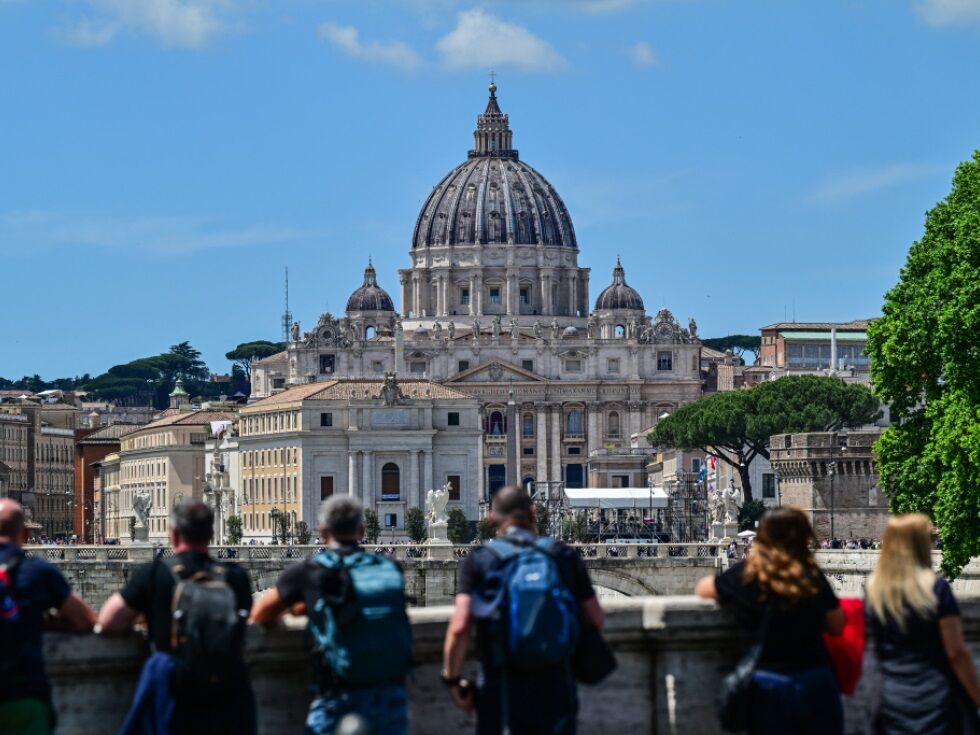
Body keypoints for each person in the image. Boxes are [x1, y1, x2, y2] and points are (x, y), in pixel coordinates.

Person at [442, 485, 605, 735]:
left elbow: (460, 627)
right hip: (556, 684)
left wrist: (452, 679)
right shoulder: (562, 555)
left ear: (491, 518)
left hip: (500, 686)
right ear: (533, 513)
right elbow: (595, 617)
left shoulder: (480, 559)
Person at [251, 496, 411, 735]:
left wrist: (303, 606)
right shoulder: (389, 567)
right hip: (391, 697)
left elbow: (260, 614)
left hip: (337, 698)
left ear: (323, 531)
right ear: (362, 530)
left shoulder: (310, 570)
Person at [98, 499, 256, 735]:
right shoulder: (236, 578)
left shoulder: (154, 574)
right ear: (211, 534)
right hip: (229, 695)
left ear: (173, 534)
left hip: (178, 695)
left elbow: (109, 620)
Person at [695, 506, 845, 735]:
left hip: (766, 683)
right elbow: (836, 625)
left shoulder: (745, 575)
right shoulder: (810, 576)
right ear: (805, 536)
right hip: (813, 680)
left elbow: (703, 589)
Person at [866, 514, 980, 734]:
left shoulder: (874, 592)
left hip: (892, 696)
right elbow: (956, 653)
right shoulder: (936, 589)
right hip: (935, 695)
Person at [0, 499, 96, 735]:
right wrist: (46, 621)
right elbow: (86, 620)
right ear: (25, 534)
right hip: (23, 696)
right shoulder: (38, 572)